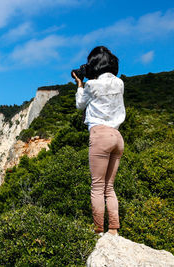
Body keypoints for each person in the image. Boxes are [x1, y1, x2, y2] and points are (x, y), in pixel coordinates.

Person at [72, 46, 125, 236]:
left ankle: (98, 231)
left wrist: (80, 83)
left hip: (100, 135)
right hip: (117, 137)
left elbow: (80, 105)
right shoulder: (120, 83)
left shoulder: (91, 86)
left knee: (97, 186)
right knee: (109, 187)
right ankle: (113, 229)